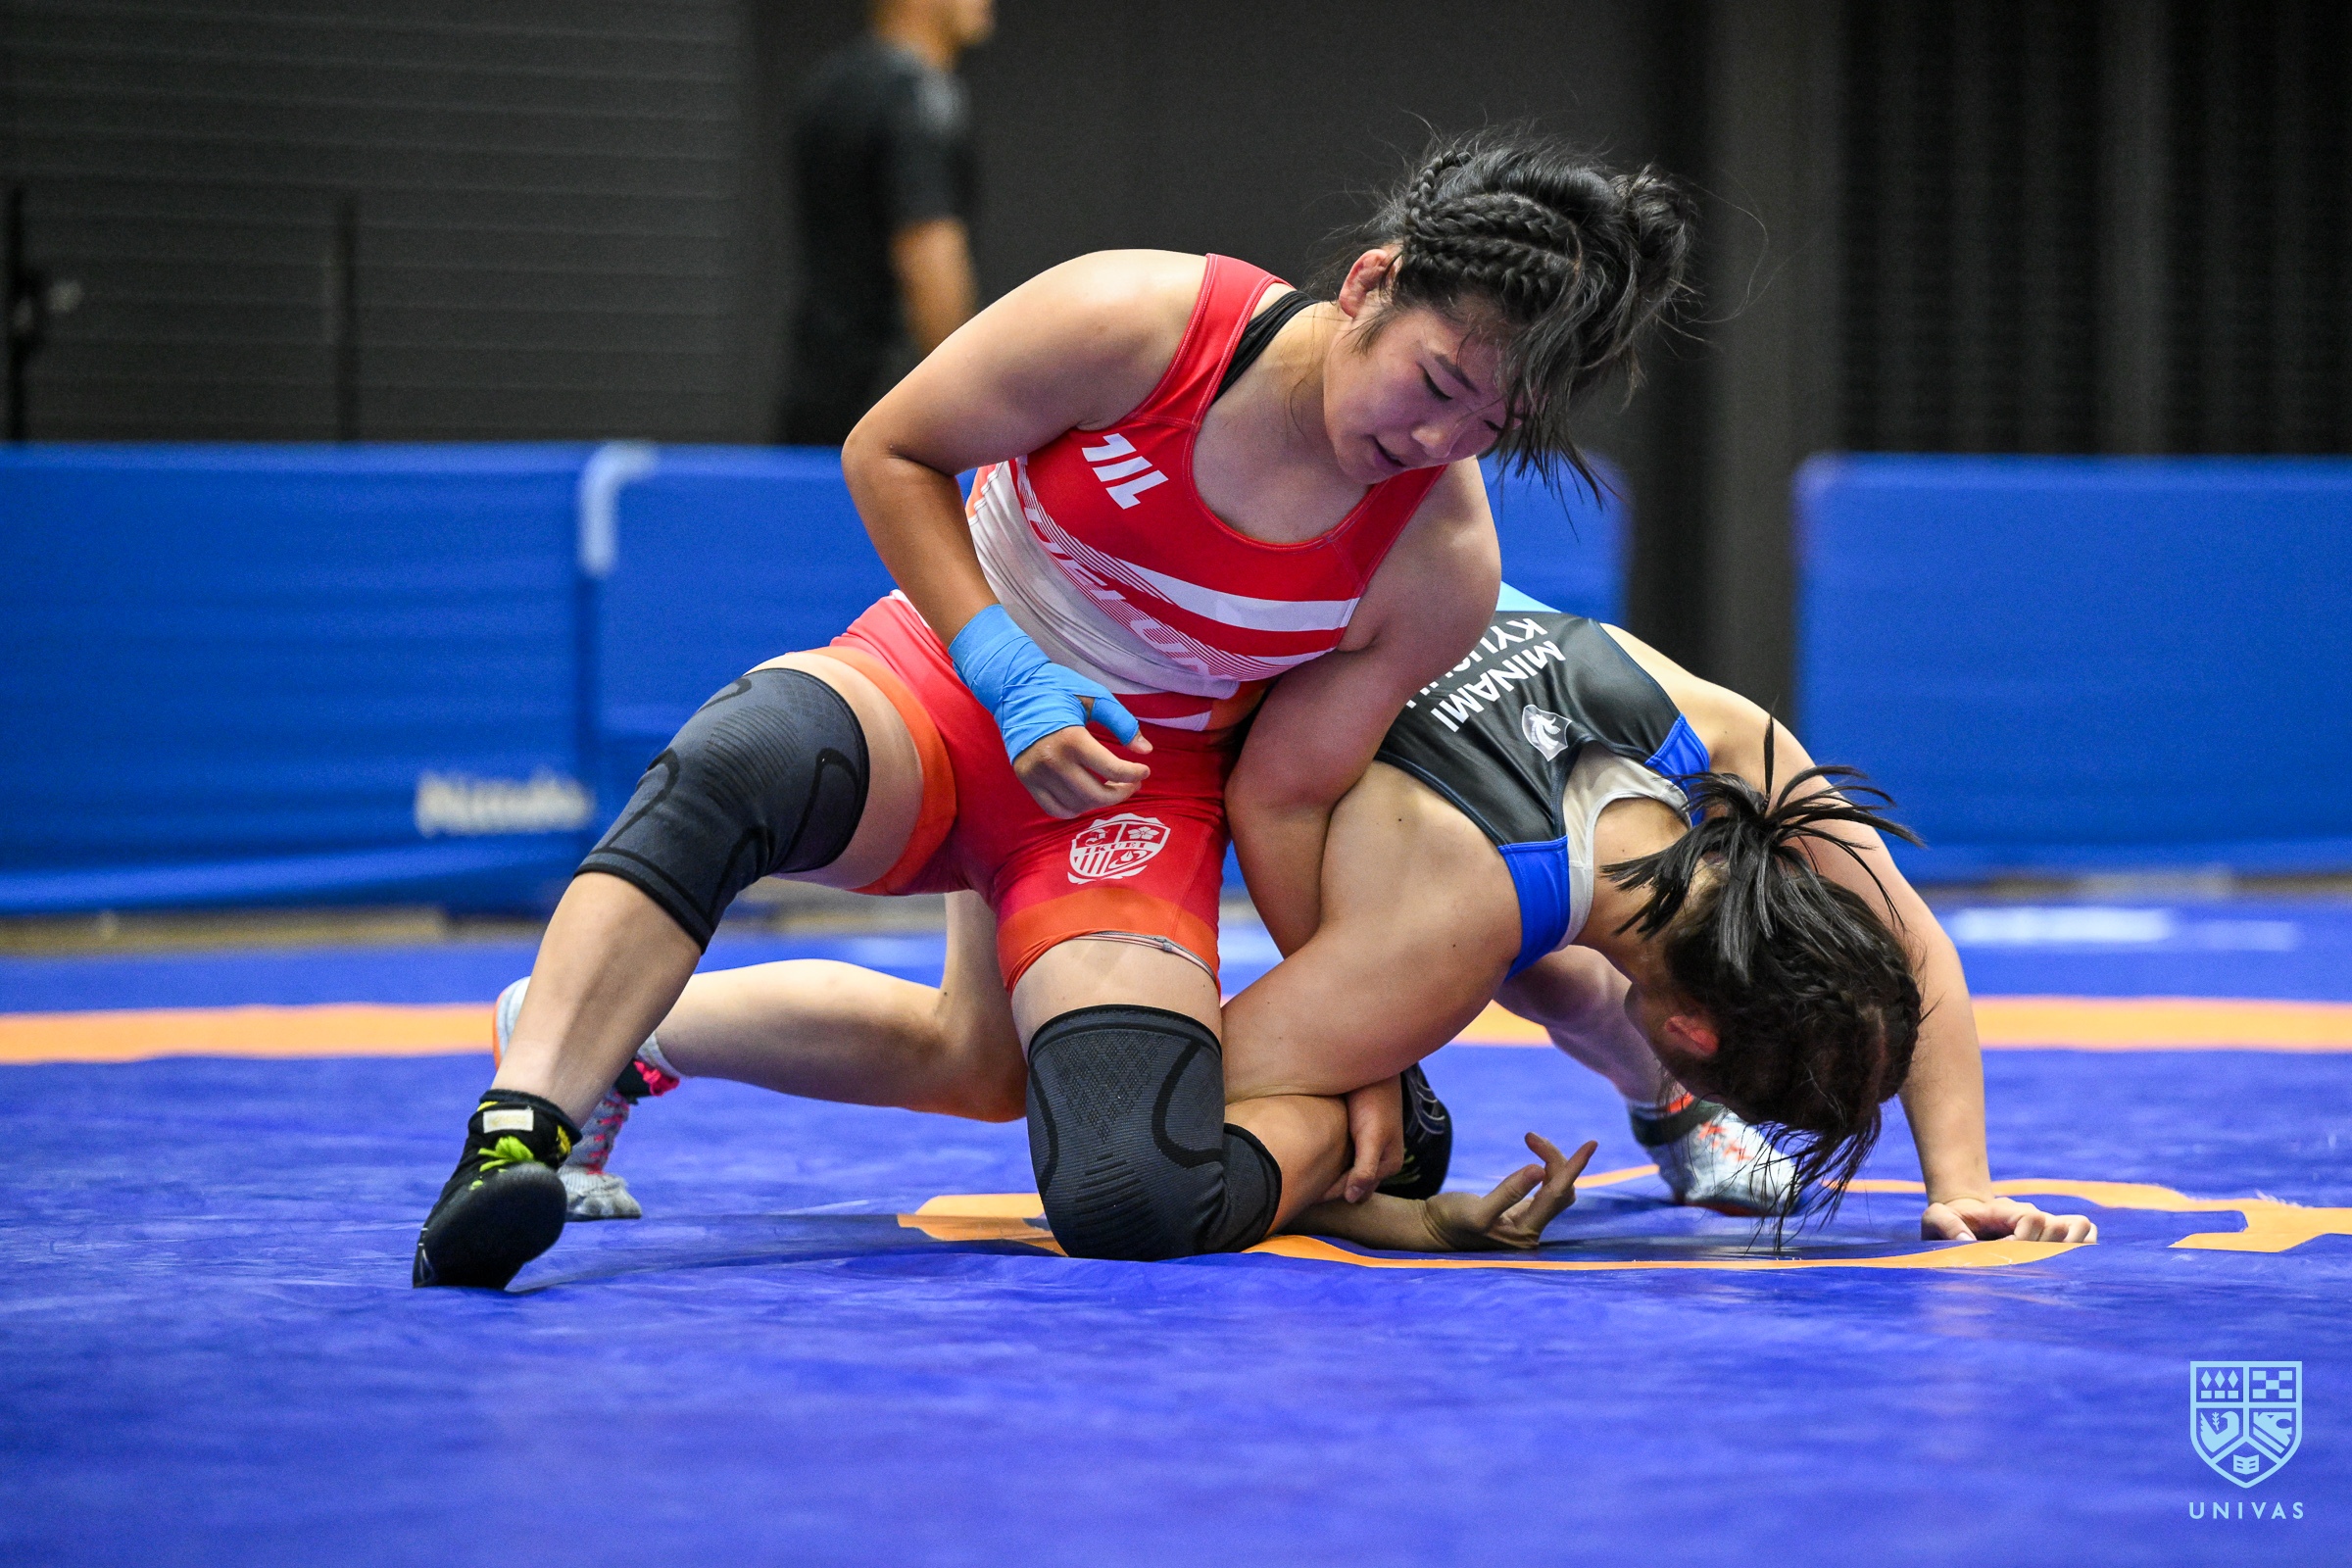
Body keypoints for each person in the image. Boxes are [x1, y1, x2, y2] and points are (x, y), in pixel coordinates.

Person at [413, 131, 1699, 1287]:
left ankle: (623, 1023)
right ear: (1372, 283)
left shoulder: (1438, 562)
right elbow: (890, 450)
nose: (1437, 442)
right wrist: (1005, 665)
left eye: (1491, 425)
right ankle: (523, 1123)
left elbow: (1288, 796)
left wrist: (1354, 1049)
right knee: (741, 757)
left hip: (1134, 794)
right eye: (1437, 383)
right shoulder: (1135, 323)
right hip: (945, 685)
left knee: (1114, 1177)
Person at [506, 588, 2097, 1255]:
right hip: (1116, 726)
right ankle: (1674, 1116)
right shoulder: (1450, 930)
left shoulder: (1717, 740)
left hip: (1146, 653)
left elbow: (1909, 955)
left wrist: (1957, 1181)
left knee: (969, 1050)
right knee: (1020, 1076)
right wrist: (1403, 1185)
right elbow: (1190, 1092)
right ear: (1693, 1025)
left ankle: (607, 1032)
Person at [780, 0, 995, 445]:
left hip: (817, 399)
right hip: (889, 424)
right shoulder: (915, 98)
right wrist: (980, 419)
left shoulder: (831, 84)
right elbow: (928, 256)